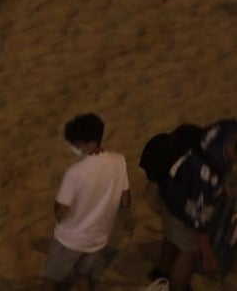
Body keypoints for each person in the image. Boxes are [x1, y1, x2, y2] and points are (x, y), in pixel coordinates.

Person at [42, 114, 131, 291]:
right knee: (83, 275)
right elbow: (125, 201)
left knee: (51, 279)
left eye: (76, 144)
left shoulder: (75, 172)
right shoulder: (119, 161)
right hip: (98, 240)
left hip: (70, 240)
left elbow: (60, 212)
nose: (73, 147)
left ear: (91, 144)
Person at [150, 119, 237, 291]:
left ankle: (162, 269)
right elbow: (198, 225)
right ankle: (177, 286)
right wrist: (208, 257)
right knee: (189, 250)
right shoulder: (209, 182)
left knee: (172, 234)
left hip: (169, 183)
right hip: (182, 202)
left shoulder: (229, 128)